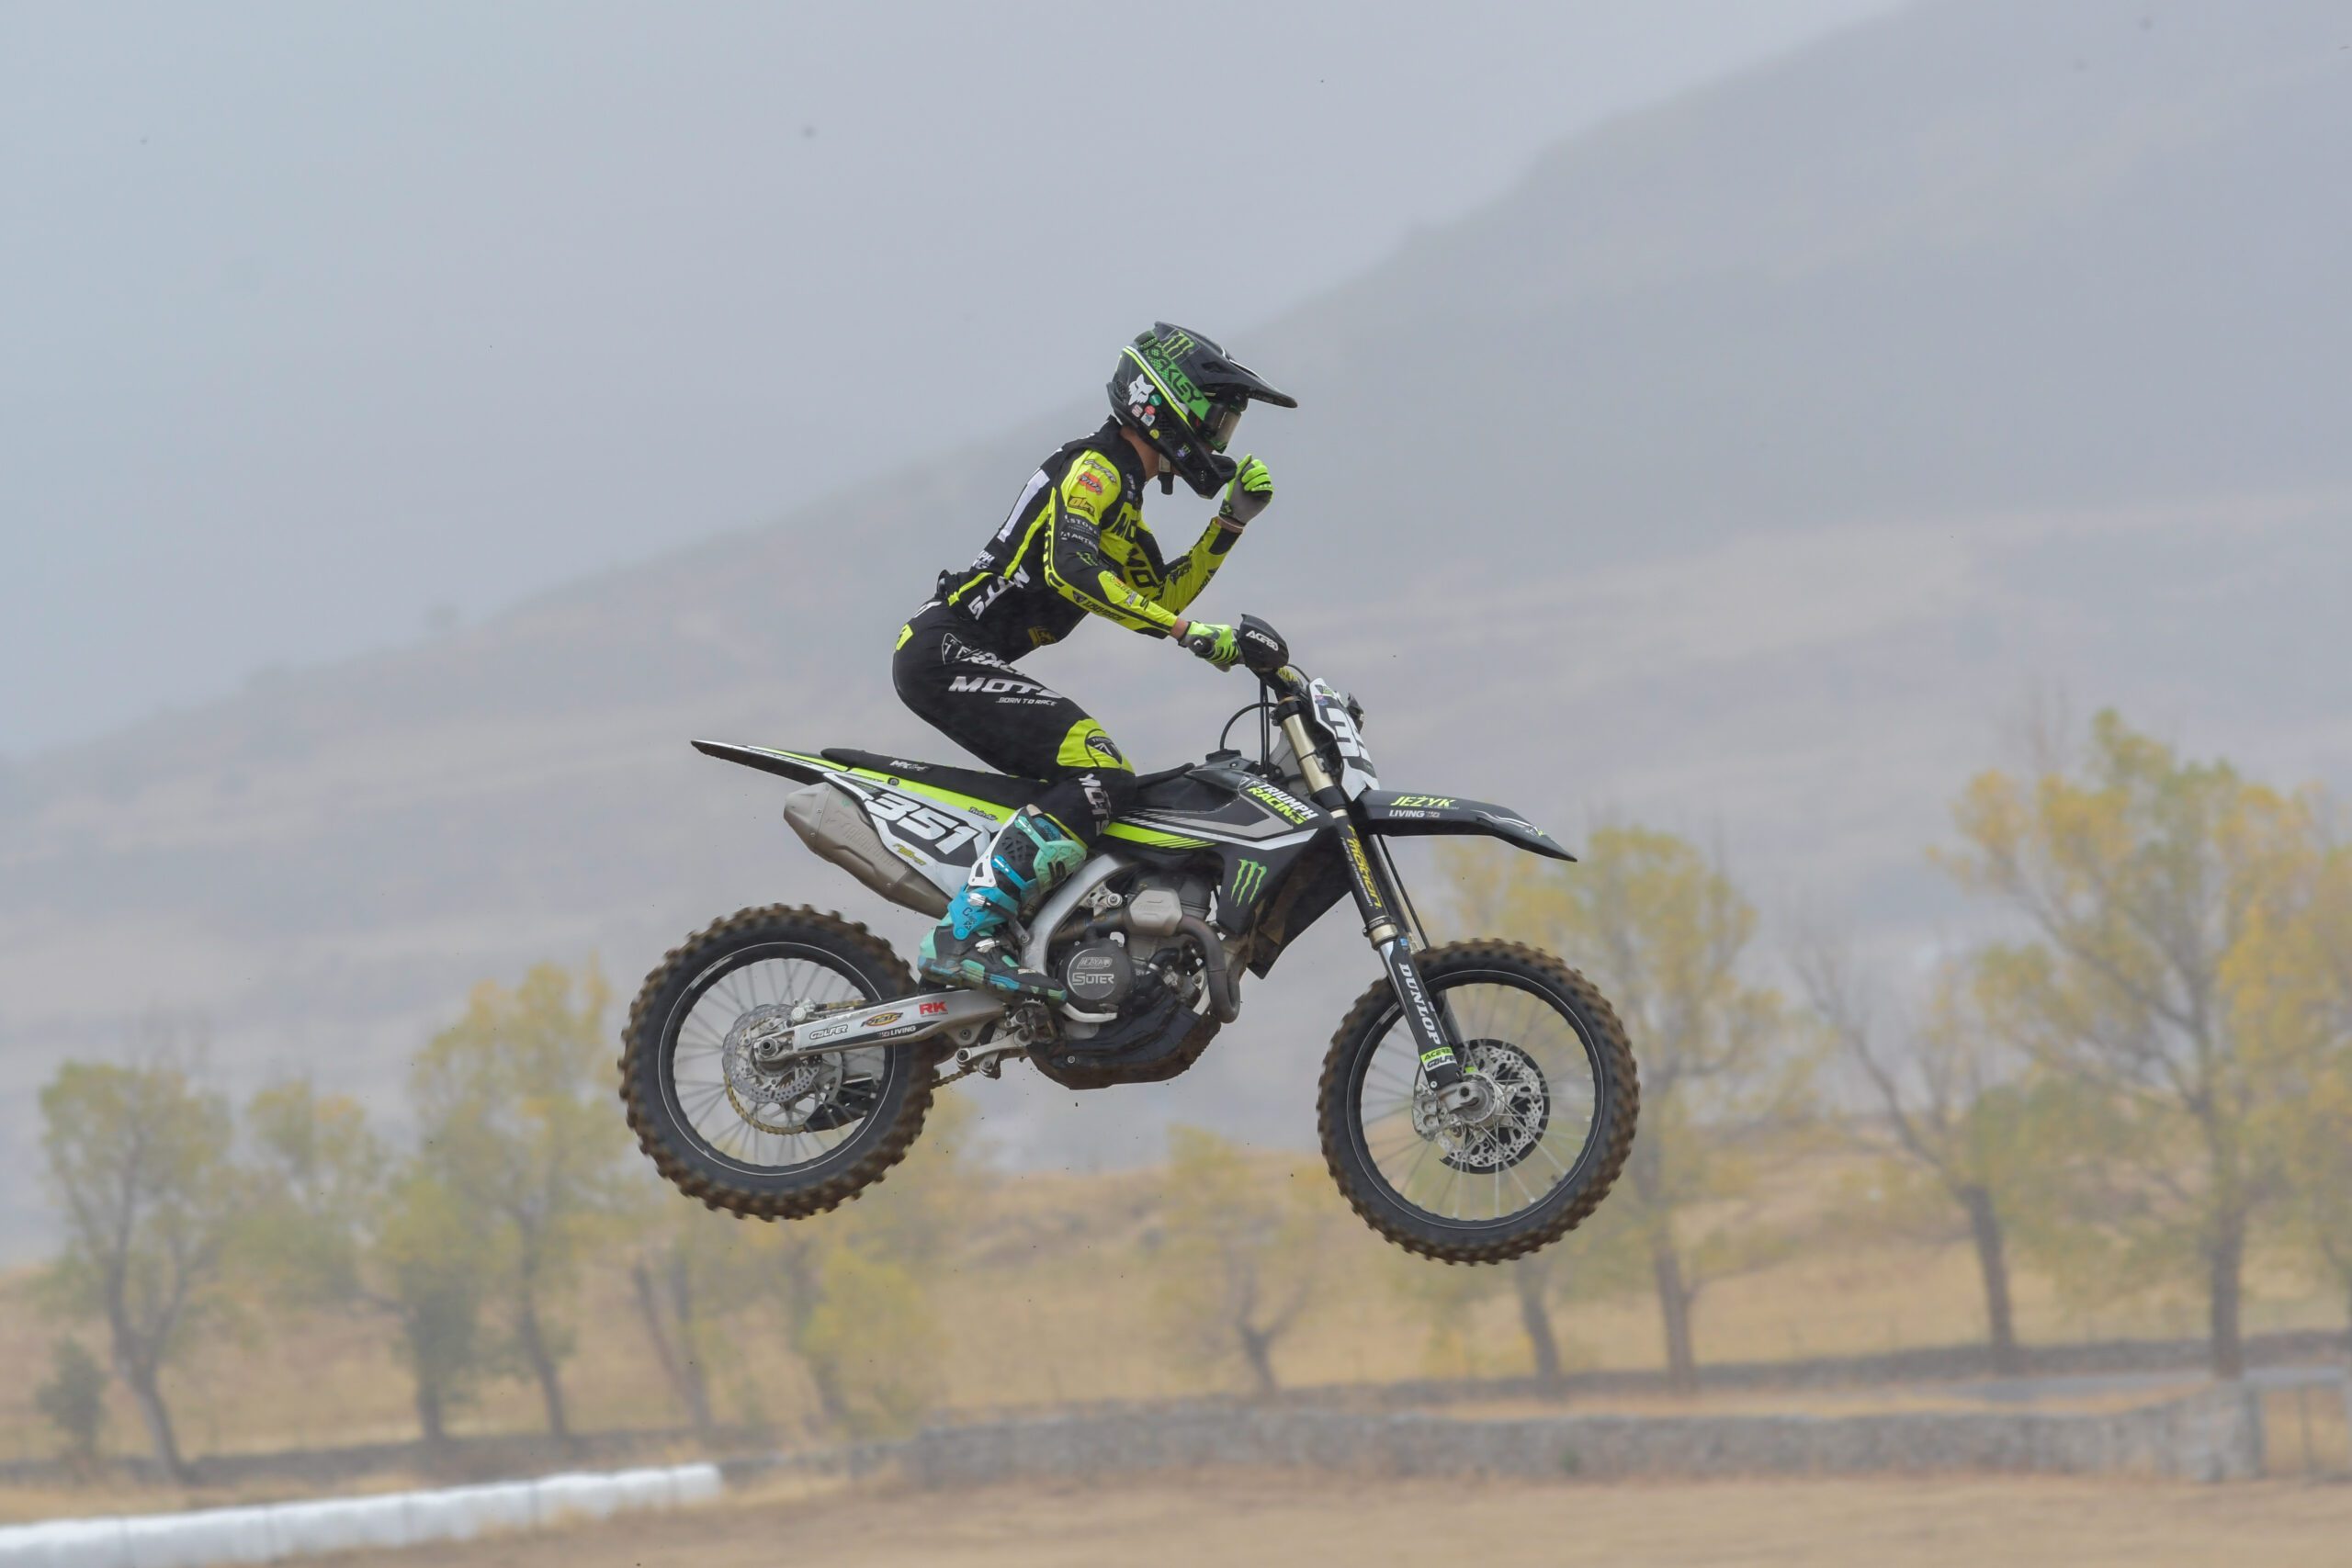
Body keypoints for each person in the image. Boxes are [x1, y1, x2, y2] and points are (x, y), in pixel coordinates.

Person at [896, 322, 1295, 1000]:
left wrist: (1228, 525)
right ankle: (961, 935)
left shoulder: (1125, 500)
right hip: (945, 648)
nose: (1221, 440)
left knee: (1100, 778)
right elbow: (1072, 569)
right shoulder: (1095, 470)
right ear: (1166, 404)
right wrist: (1190, 634)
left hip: (961, 654)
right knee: (1100, 771)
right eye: (1217, 420)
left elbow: (1159, 594)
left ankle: (1035, 932)